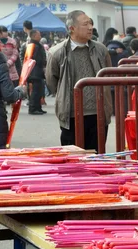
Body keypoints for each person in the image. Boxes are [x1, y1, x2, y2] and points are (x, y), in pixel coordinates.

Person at [46, 10, 112, 151]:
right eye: (85, 24)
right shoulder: (57, 53)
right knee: (73, 158)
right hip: (71, 115)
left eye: (90, 23)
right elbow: (52, 82)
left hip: (98, 112)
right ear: (72, 28)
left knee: (97, 157)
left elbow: (108, 75)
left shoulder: (101, 49)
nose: (90, 27)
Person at [23, 30, 47, 115]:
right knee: (35, 91)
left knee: (39, 90)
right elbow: (32, 59)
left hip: (38, 71)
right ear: (33, 36)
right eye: (38, 35)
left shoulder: (37, 45)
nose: (40, 36)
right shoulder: (32, 46)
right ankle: (33, 108)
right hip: (34, 71)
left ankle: (38, 107)